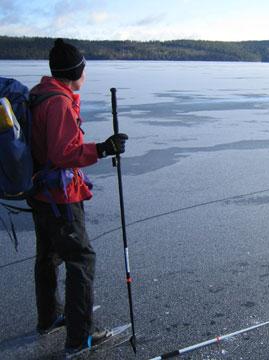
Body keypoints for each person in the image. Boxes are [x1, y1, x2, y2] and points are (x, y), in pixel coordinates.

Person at [28, 38, 128, 356]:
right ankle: (80, 336)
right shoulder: (57, 102)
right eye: (83, 68)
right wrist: (103, 148)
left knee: (49, 255)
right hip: (60, 196)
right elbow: (63, 153)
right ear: (76, 71)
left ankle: (49, 317)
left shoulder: (40, 93)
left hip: (42, 194)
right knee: (81, 259)